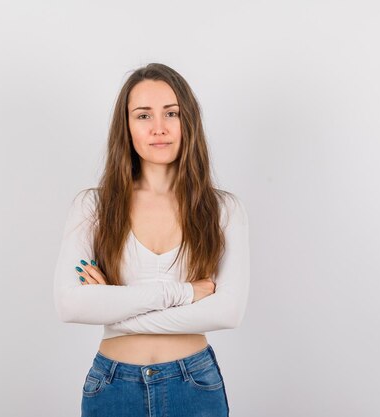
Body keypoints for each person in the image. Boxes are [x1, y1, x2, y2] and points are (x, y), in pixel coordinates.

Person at [53, 63, 250, 417]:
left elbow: (227, 312)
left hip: (194, 384)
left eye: (171, 113)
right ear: (126, 126)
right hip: (112, 386)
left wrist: (114, 308)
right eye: (143, 115)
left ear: (187, 120)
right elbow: (70, 305)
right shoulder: (93, 206)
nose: (159, 128)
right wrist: (185, 294)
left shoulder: (223, 209)